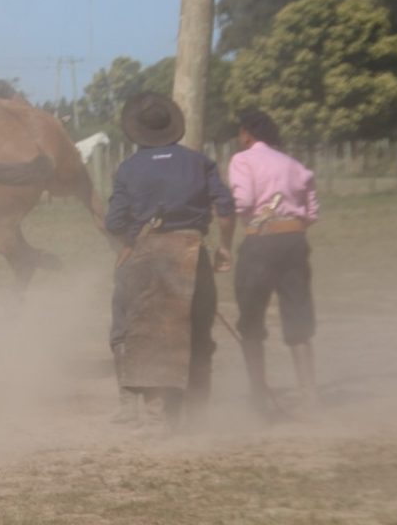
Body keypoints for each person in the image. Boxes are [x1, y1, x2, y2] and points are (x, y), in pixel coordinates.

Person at [105, 92, 235, 432]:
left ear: (138, 131)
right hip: (192, 251)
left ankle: (142, 410)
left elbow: (114, 222)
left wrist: (127, 245)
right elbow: (225, 208)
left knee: (132, 328)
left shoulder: (129, 168)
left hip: (145, 252)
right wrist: (225, 247)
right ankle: (196, 413)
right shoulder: (199, 162)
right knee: (197, 333)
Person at [227, 108, 321, 415]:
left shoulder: (243, 160)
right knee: (297, 315)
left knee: (251, 319)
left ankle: (259, 397)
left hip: (260, 241)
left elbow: (243, 201)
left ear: (247, 135)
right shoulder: (294, 164)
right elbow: (311, 213)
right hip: (293, 240)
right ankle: (309, 396)